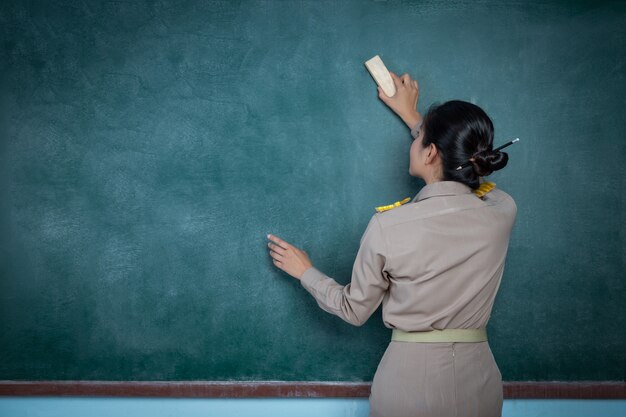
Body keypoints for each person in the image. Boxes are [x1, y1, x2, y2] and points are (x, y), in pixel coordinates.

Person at [267, 70, 517, 417]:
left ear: (430, 153)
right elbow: (480, 182)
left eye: (420, 140)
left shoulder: (389, 226)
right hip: (481, 381)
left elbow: (354, 310)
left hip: (409, 383)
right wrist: (418, 121)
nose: (413, 144)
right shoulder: (501, 212)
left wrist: (305, 271)